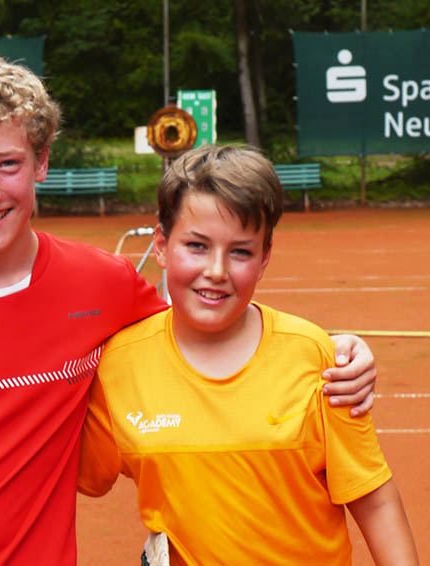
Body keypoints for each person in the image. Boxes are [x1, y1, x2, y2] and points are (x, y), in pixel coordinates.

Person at [0, 49, 378, 566]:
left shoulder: (104, 284)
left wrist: (340, 352)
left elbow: (205, 323)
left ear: (42, 163)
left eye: (7, 164)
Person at [78, 144, 418, 565]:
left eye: (240, 251)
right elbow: (78, 476)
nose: (217, 271)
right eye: (197, 246)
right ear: (162, 246)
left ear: (264, 258)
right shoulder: (119, 365)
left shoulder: (318, 360)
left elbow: (375, 502)